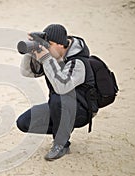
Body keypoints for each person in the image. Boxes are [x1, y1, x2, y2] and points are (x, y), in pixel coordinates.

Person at [16, 24, 98, 161]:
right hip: (59, 107)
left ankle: (61, 144)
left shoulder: (78, 62)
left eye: (49, 45)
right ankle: (62, 128)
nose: (46, 48)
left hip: (82, 110)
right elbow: (27, 72)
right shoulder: (53, 56)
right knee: (24, 122)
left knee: (58, 98)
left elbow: (62, 87)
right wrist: (32, 52)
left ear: (61, 45)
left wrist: (46, 58)